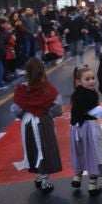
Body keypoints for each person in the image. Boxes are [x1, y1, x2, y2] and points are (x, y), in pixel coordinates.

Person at [11, 58, 63, 194]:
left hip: (28, 122)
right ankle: (45, 180)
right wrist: (49, 114)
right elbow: (57, 106)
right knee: (45, 149)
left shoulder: (21, 89)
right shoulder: (48, 88)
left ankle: (38, 176)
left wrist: (25, 115)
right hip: (44, 121)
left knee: (32, 147)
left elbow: (15, 108)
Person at [69, 65, 102, 196]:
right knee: (94, 154)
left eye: (92, 78)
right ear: (79, 81)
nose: (91, 81)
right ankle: (92, 185)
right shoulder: (87, 96)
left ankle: (77, 177)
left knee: (80, 152)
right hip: (89, 128)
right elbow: (96, 112)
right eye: (87, 79)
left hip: (77, 128)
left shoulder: (77, 93)